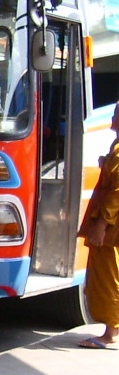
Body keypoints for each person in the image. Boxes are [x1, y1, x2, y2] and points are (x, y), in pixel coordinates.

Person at [78, 100, 119, 349]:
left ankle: (110, 332)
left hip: (112, 227)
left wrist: (102, 223)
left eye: (117, 114)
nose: (113, 118)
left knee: (108, 277)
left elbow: (116, 192)